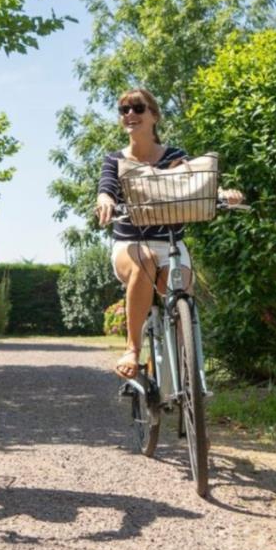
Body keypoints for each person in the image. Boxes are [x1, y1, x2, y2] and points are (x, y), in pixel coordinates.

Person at [94, 88, 242, 379]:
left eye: (138, 108)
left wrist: (223, 194)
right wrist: (105, 200)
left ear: (154, 115)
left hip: (171, 244)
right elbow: (106, 188)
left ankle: (185, 375)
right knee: (146, 260)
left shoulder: (175, 156)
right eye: (124, 110)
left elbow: (193, 185)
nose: (130, 114)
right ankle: (132, 349)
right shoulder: (115, 160)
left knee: (180, 292)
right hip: (130, 245)